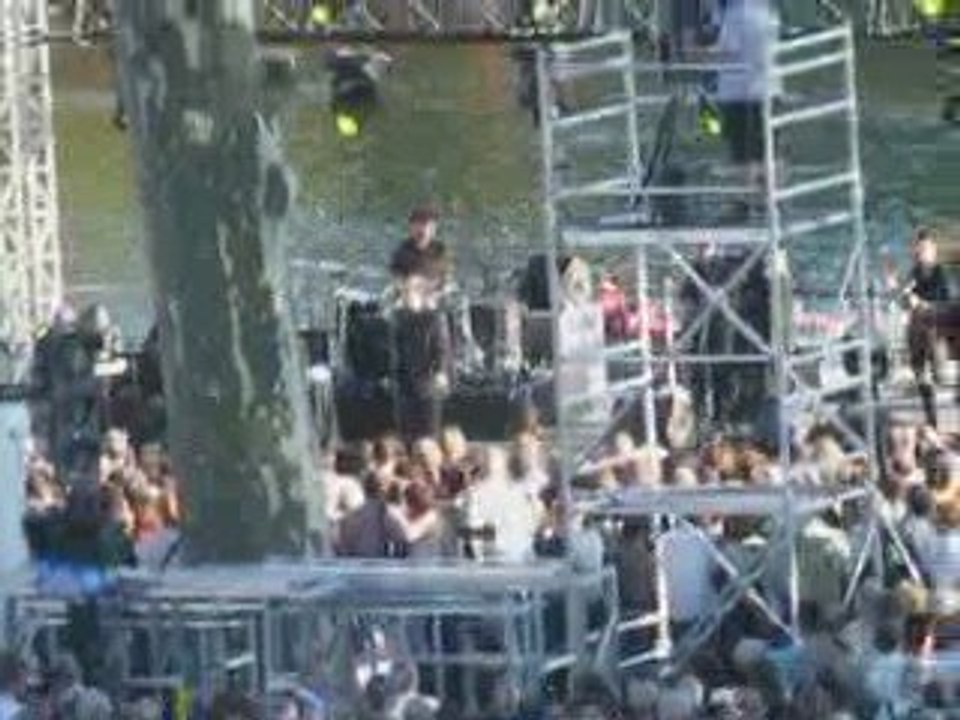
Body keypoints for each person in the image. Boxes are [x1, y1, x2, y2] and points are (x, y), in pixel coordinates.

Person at [390, 278, 451, 443]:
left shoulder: (434, 319)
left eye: (409, 293)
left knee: (428, 435)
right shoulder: (400, 319)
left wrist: (440, 371)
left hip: (427, 384)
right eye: (404, 294)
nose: (405, 298)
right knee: (407, 435)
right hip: (405, 385)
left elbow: (441, 348)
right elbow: (395, 350)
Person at [904, 229, 951, 428]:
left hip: (935, 330)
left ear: (933, 251)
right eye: (918, 249)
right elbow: (905, 302)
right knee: (921, 375)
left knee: (940, 377)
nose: (921, 253)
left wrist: (920, 303)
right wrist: (902, 292)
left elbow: (944, 303)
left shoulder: (940, 273)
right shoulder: (914, 272)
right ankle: (932, 421)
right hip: (917, 331)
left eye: (925, 249)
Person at [390, 207, 449, 296]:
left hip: (433, 291)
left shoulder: (440, 250)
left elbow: (446, 277)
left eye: (426, 225)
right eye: (417, 224)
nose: (421, 229)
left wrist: (436, 287)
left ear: (434, 230)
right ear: (410, 228)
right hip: (410, 292)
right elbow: (397, 278)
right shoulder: (402, 252)